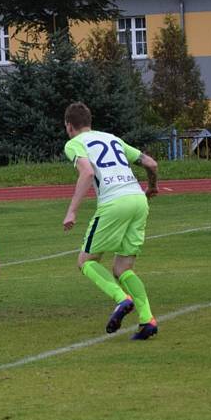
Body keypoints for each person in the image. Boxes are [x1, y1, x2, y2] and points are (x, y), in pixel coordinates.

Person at [62, 102, 159, 340]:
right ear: (89, 121)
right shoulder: (111, 138)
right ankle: (147, 320)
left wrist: (72, 211)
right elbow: (151, 163)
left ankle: (121, 299)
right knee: (122, 268)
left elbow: (87, 172)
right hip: (138, 199)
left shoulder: (74, 143)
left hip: (114, 201)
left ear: (69, 126)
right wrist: (153, 187)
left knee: (85, 261)